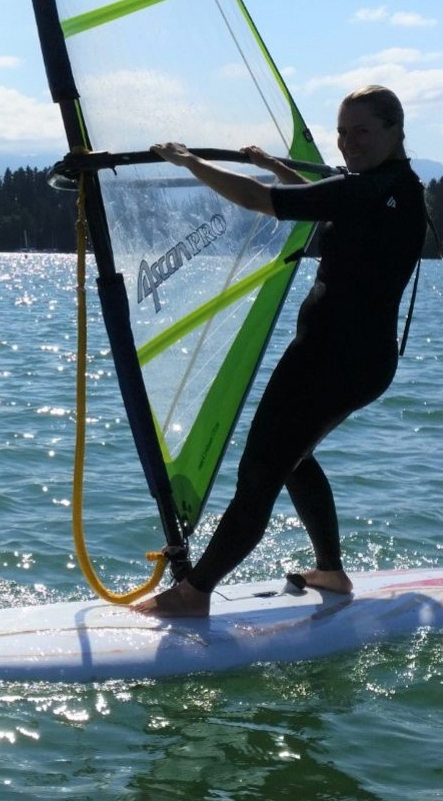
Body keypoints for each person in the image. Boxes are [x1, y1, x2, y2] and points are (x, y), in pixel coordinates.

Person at [134, 85, 426, 617]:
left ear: (395, 131)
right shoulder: (392, 189)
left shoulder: (371, 189)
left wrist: (189, 160)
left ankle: (194, 593)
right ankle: (331, 573)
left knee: (261, 470)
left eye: (361, 131)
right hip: (357, 361)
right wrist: (275, 165)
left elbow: (260, 201)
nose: (347, 142)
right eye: (341, 132)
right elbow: (329, 203)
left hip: (330, 362)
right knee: (293, 458)